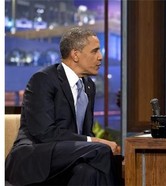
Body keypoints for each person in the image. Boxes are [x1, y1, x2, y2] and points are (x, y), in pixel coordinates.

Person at [5, 27, 121, 185]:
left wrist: (91, 141)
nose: (100, 57)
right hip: (36, 155)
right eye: (95, 51)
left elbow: (85, 131)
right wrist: (94, 141)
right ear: (75, 54)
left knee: (88, 172)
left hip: (71, 155)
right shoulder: (43, 80)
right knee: (101, 149)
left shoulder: (88, 86)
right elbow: (44, 133)